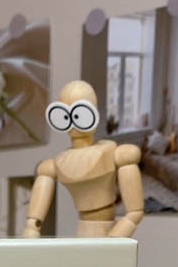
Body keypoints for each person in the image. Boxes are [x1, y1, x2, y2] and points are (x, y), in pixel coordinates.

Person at [22, 80, 144, 239]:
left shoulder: (113, 153)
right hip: (85, 234)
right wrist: (32, 227)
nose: (72, 121)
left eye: (79, 113)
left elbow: (135, 212)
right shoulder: (57, 164)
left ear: (93, 113)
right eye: (63, 114)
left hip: (108, 232)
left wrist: (116, 237)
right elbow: (35, 217)